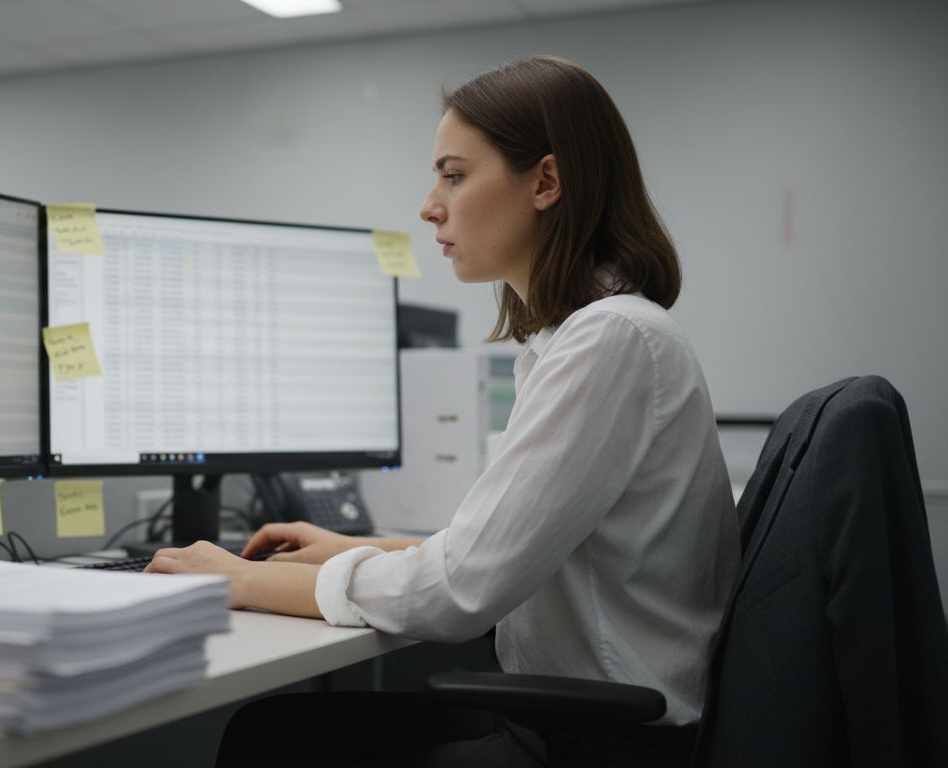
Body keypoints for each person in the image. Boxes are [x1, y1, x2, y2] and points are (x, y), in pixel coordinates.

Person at [145, 55, 740, 767]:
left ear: (546, 182)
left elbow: (458, 591)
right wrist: (356, 549)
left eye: (454, 176)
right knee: (280, 732)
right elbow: (494, 552)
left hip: (603, 744)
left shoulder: (610, 340)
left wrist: (239, 578)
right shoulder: (584, 340)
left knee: (272, 741)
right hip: (584, 721)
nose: (430, 205)